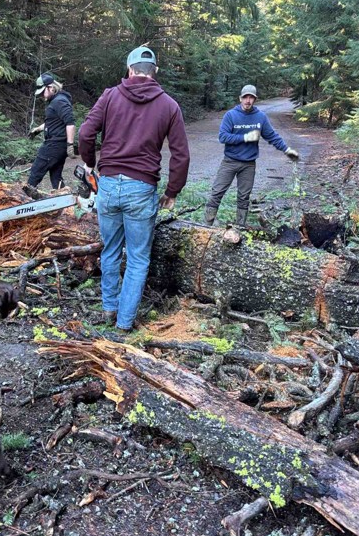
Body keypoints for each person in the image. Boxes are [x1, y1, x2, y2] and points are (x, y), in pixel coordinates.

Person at [78, 45, 190, 333]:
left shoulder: (110, 96)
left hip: (110, 183)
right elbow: (181, 154)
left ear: (129, 70)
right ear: (155, 72)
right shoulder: (169, 105)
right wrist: (172, 191)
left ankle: (109, 307)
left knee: (111, 249)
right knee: (139, 257)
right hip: (142, 188)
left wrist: (90, 163)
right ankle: (125, 322)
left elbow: (85, 133)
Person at [204, 84, 299, 228]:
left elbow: (272, 136)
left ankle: (240, 227)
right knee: (217, 192)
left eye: (251, 98)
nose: (248, 101)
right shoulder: (231, 115)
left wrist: (287, 150)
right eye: (245, 97)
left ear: (255, 99)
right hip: (229, 161)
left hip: (248, 164)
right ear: (240, 98)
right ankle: (206, 225)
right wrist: (245, 137)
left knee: (244, 197)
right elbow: (223, 137)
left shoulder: (260, 117)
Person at [27, 73, 76, 189]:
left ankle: (24, 200)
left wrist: (70, 144)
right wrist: (37, 129)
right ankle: (64, 202)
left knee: (35, 172)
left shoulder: (59, 101)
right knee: (56, 177)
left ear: (51, 88)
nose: (42, 95)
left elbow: (70, 123)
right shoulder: (57, 100)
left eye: (43, 91)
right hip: (58, 146)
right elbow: (54, 121)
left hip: (55, 144)